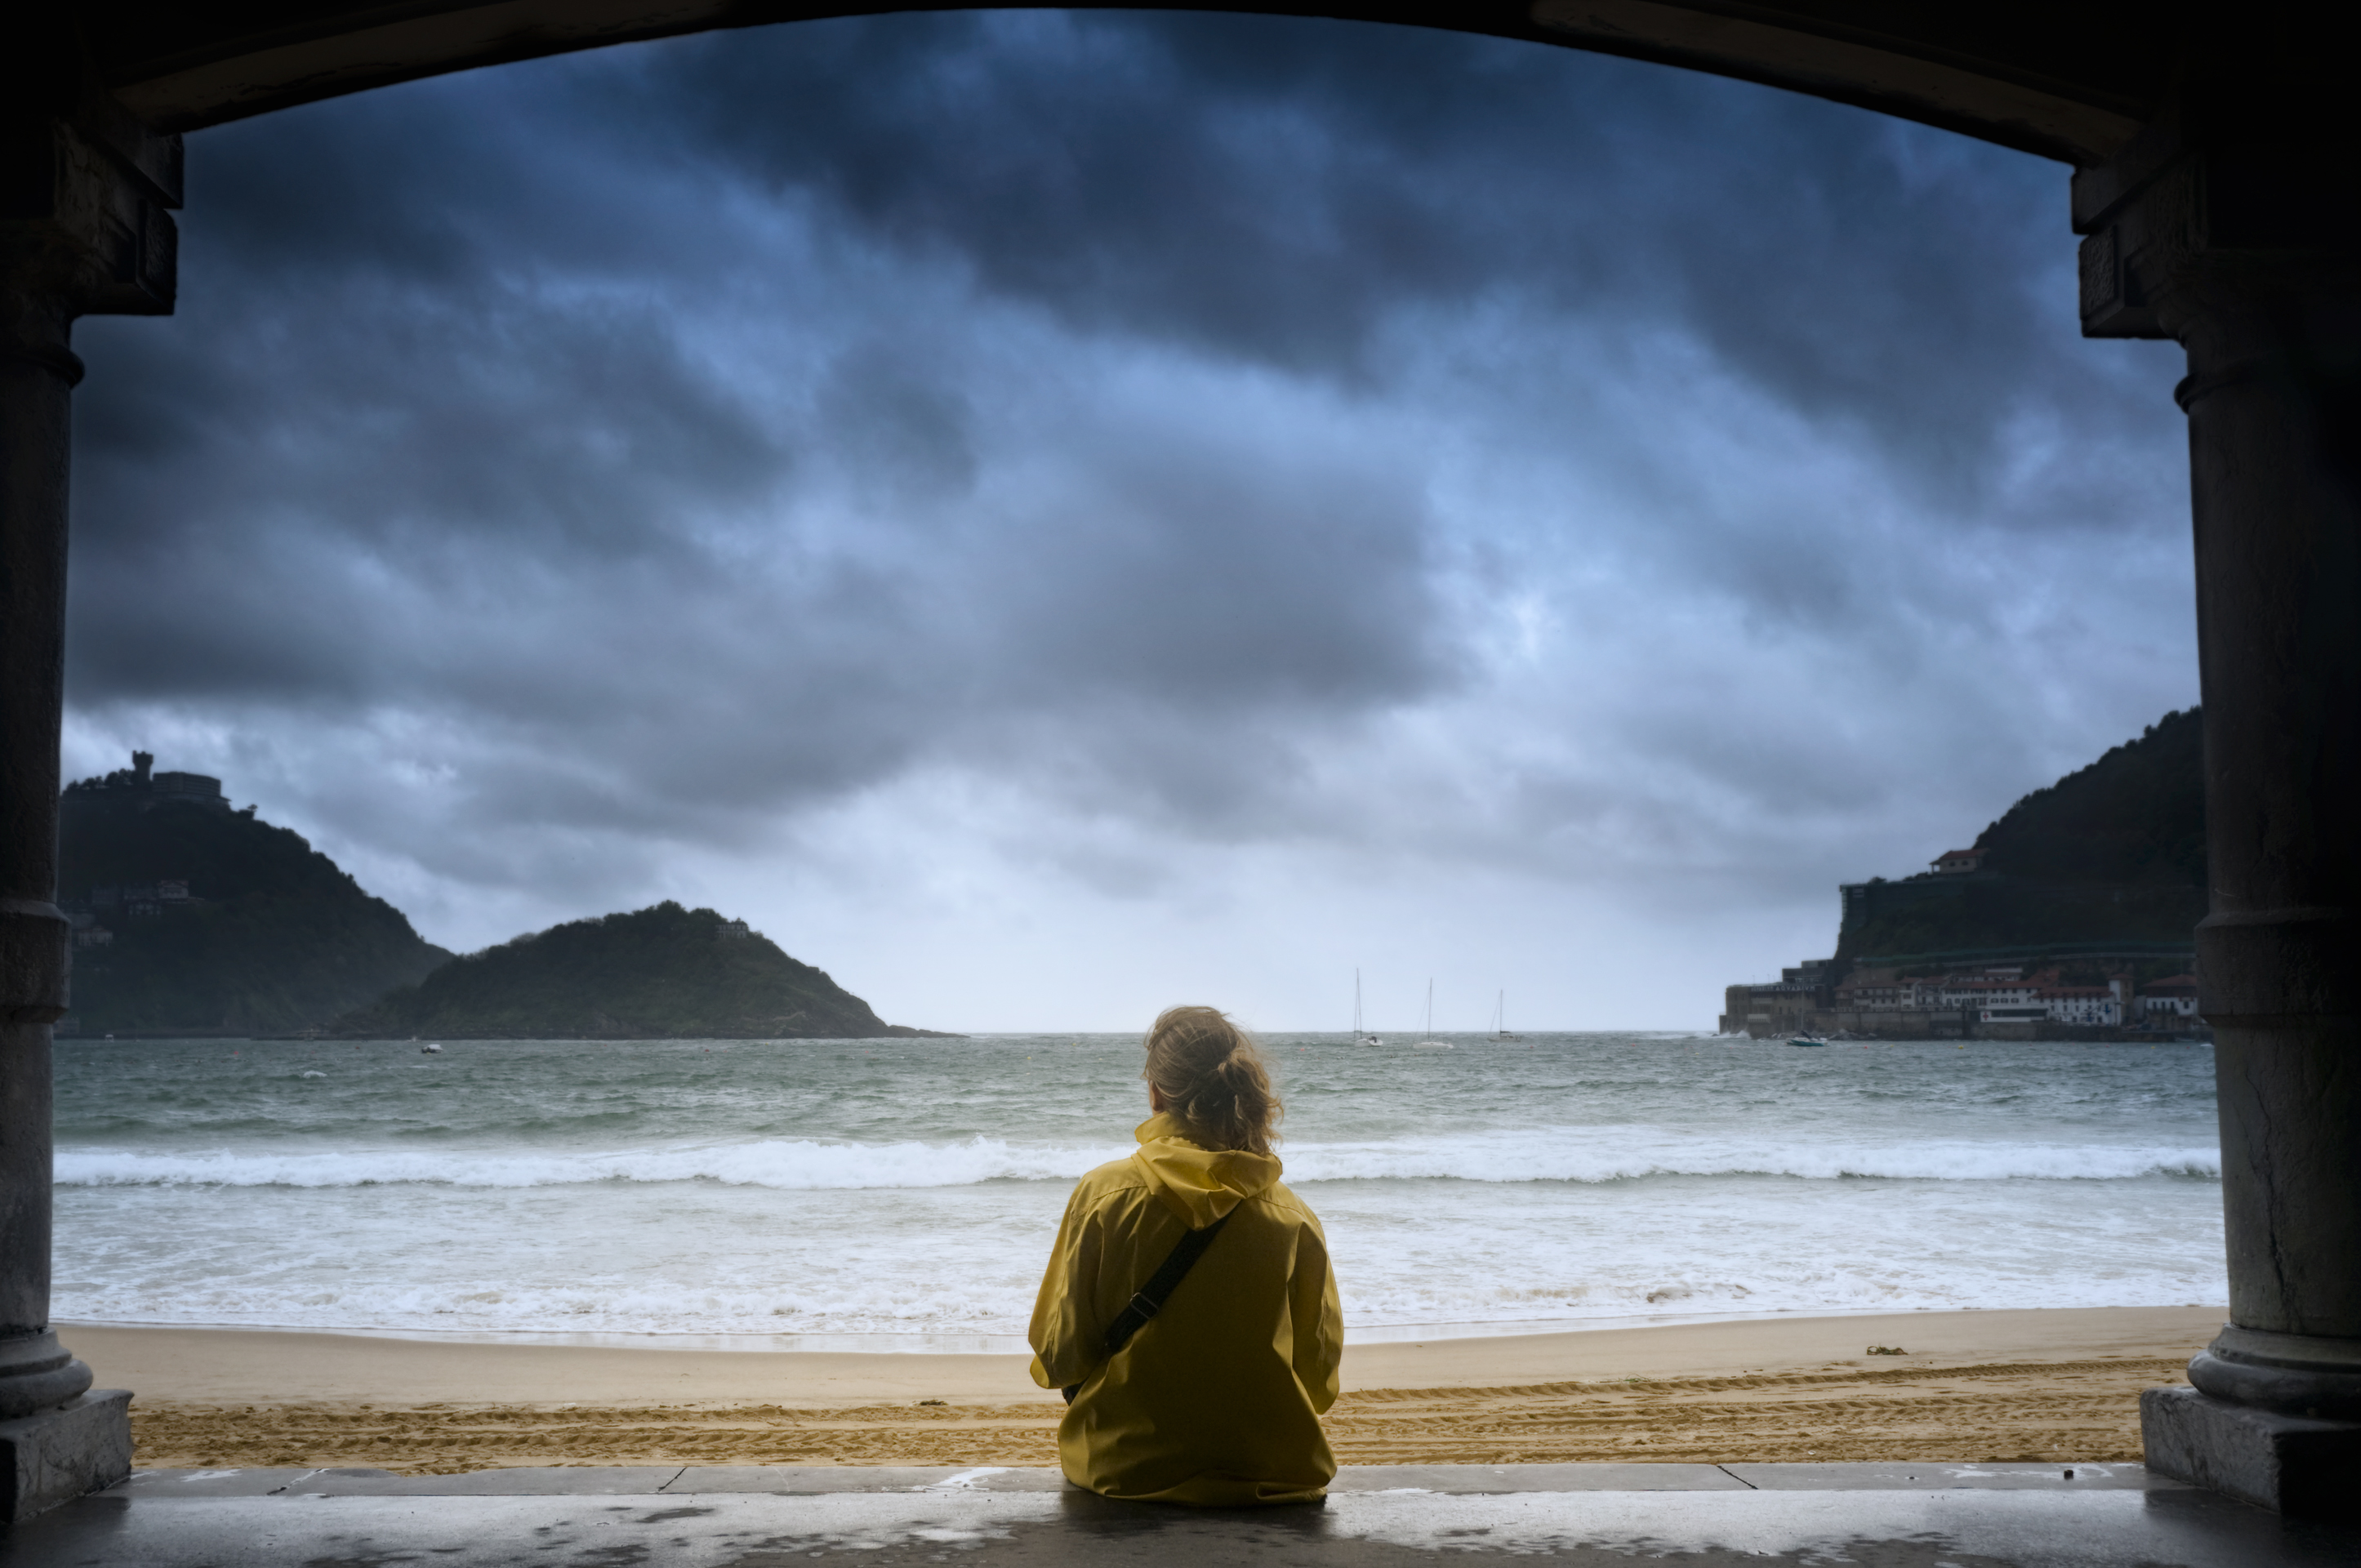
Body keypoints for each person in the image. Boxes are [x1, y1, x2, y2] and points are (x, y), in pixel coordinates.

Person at [1027, 1005, 1343, 1505]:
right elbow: (1319, 1380)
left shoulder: (1105, 1196)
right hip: (1272, 1472)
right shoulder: (1291, 1215)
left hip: (1125, 1469)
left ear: (1156, 1094)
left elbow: (1059, 1356)